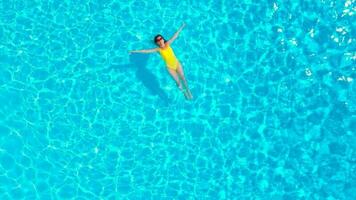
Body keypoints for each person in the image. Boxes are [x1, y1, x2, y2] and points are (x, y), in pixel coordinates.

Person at [130, 23, 193, 100]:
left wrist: (182, 27)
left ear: (163, 39)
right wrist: (134, 51)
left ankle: (188, 91)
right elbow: (146, 51)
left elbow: (175, 36)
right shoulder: (158, 49)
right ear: (157, 43)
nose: (160, 40)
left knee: (183, 78)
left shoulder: (168, 44)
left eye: (161, 39)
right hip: (170, 67)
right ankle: (184, 93)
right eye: (158, 40)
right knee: (178, 82)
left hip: (177, 63)